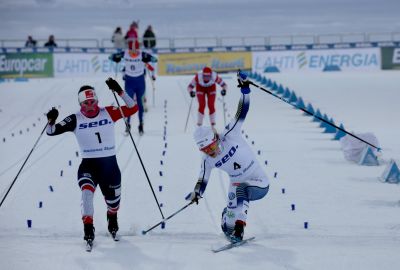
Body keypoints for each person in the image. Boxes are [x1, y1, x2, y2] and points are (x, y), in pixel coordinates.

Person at [45, 78, 138, 244]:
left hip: (110, 167)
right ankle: (88, 228)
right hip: (89, 165)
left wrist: (120, 91)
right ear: (81, 104)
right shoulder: (75, 118)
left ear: (97, 100)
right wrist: (51, 121)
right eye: (86, 103)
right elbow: (51, 132)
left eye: (93, 101)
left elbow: (133, 108)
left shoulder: (109, 112)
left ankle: (112, 217)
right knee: (87, 193)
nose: (90, 106)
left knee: (113, 203)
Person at [185, 71, 270, 243]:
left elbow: (241, 112)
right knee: (228, 226)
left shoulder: (230, 135)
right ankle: (229, 221)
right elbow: (202, 180)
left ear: (215, 139)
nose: (210, 152)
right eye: (206, 151)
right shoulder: (207, 160)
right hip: (236, 183)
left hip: (258, 181)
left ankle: (240, 228)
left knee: (242, 190)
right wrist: (196, 193)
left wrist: (245, 89)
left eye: (211, 148)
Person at [109, 41, 157, 135]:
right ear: (129, 49)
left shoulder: (142, 54)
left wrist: (148, 59)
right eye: (132, 50)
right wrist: (116, 58)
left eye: (136, 50)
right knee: (129, 104)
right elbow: (110, 57)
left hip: (140, 83)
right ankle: (128, 125)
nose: (134, 52)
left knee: (140, 104)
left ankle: (141, 125)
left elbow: (155, 60)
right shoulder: (124, 53)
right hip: (129, 83)